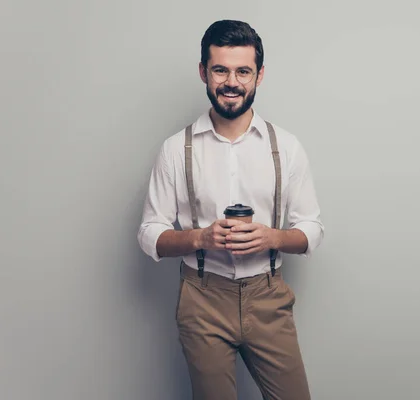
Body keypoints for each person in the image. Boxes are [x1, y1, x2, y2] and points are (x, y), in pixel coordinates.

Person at [137, 19, 324, 400]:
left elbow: (312, 227)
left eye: (243, 71)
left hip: (267, 295)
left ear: (260, 76)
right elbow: (148, 233)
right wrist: (200, 237)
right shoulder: (176, 149)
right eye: (221, 69)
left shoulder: (285, 147)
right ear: (204, 72)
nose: (232, 82)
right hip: (202, 299)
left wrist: (273, 237)